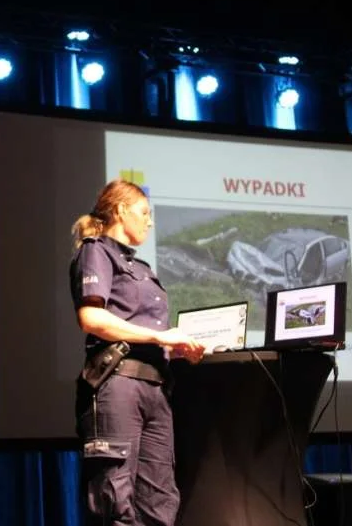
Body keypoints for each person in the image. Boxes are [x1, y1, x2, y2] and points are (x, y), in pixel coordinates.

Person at [69, 178, 206, 526]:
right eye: (144, 212)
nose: (150, 221)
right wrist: (159, 336)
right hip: (118, 384)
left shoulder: (143, 269)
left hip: (156, 390)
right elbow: (92, 318)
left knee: (160, 502)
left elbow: (148, 334)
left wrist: (177, 347)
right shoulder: (96, 251)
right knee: (115, 501)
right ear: (120, 210)